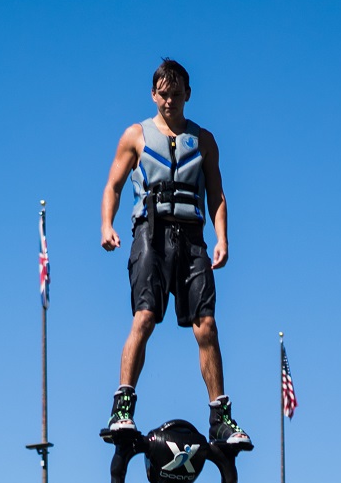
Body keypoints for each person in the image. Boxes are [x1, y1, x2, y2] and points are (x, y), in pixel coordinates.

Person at [101, 58, 252, 449]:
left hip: (193, 238)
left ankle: (220, 417)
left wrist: (223, 238)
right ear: (154, 95)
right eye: (162, 95)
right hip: (150, 234)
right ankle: (122, 409)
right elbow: (114, 186)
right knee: (145, 316)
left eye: (176, 94)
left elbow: (216, 193)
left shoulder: (203, 141)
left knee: (207, 325)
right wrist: (107, 225)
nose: (169, 101)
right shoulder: (135, 136)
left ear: (187, 94)